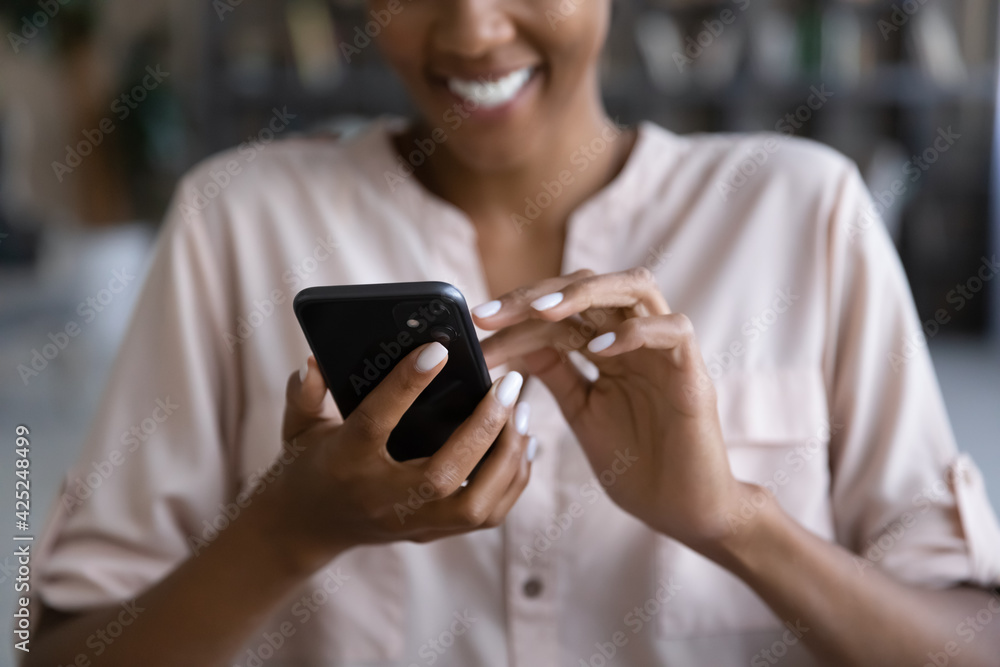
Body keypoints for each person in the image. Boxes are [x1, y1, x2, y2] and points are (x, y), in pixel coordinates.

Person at [25, 1, 1000, 665]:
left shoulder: (802, 211)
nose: (472, 29)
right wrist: (288, 530)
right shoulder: (234, 219)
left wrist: (734, 521)